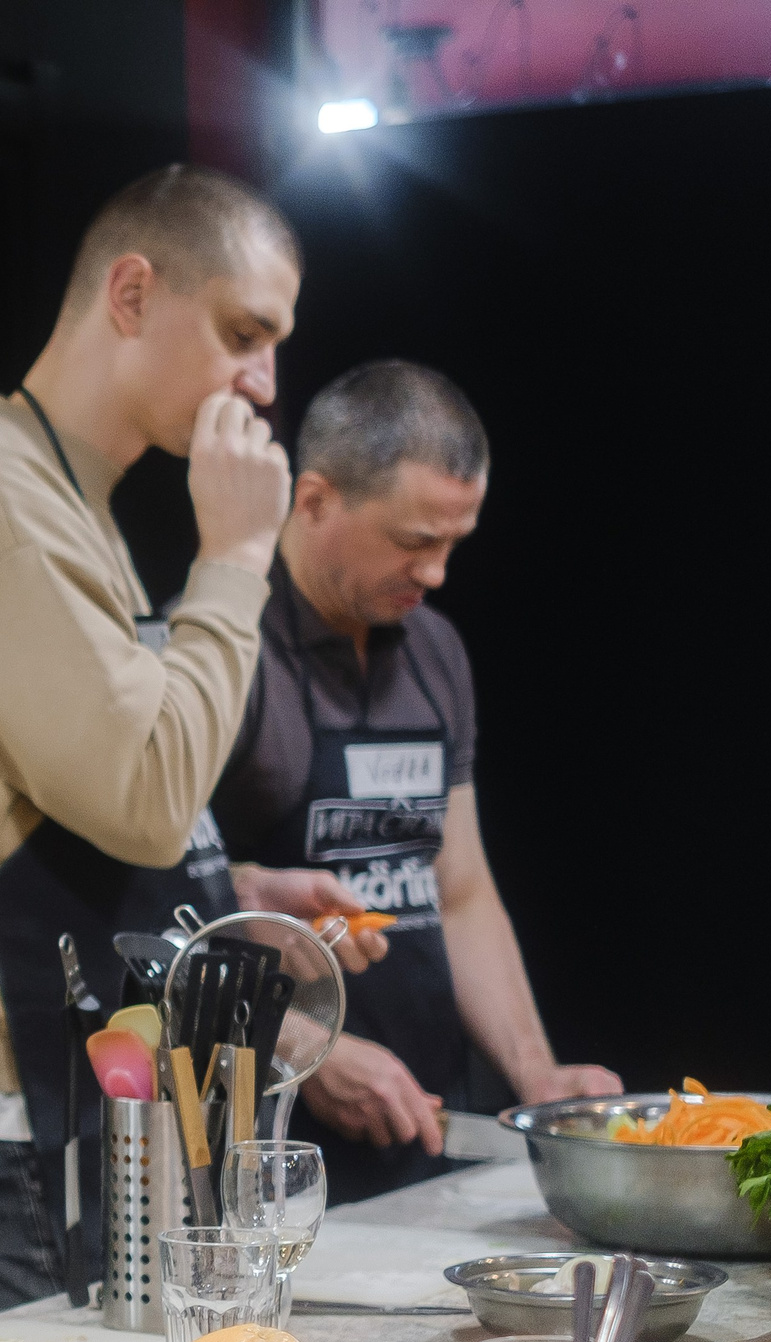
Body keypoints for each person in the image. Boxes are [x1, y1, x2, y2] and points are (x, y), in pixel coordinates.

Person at [0, 164, 389, 1319]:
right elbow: (142, 792)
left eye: (277, 344)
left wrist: (227, 882)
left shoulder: (53, 492)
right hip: (49, 1098)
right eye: (245, 332)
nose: (264, 381)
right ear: (131, 294)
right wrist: (237, 556)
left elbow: (78, 796)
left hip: (113, 1077)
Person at [211, 359, 619, 1199]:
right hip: (263, 1156)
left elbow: (459, 887)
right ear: (316, 499)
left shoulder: (435, 652)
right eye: (413, 541)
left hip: (424, 1132)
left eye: (452, 544)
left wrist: (534, 1073)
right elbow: (166, 916)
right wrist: (301, 1045)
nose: (435, 573)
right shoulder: (226, 646)